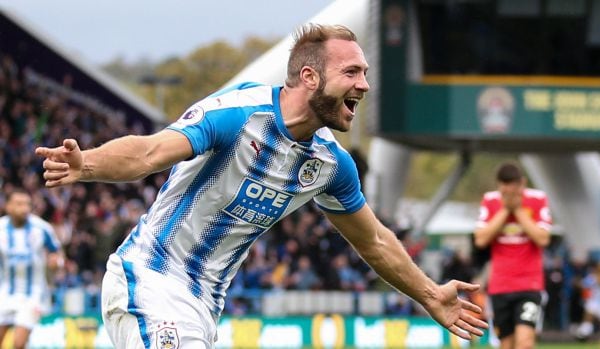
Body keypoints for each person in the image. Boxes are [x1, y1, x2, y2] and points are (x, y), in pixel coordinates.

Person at [36, 24, 488, 348]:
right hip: (150, 278)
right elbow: (151, 152)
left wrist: (430, 294)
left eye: (365, 73)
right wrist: (87, 163)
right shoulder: (239, 114)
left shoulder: (331, 163)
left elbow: (373, 240)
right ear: (309, 77)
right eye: (351, 72)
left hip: (204, 304)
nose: (364, 85)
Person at [474, 162, 551, 349]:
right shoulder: (490, 201)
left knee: (524, 343)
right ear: (498, 185)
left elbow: (543, 239)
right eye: (504, 185)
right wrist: (505, 210)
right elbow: (480, 240)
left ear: (521, 183)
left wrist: (518, 210)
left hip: (530, 285)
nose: (508, 190)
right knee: (506, 344)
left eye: (513, 185)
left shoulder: (537, 199)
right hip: (500, 286)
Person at [0, 189, 63, 349]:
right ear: (8, 206)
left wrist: (57, 263)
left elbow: (57, 253)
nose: (25, 208)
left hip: (33, 294)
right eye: (19, 204)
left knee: (18, 343)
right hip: (5, 292)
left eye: (28, 204)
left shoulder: (41, 228)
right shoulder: (1, 228)